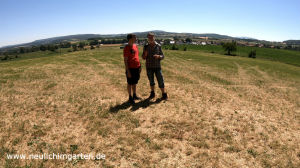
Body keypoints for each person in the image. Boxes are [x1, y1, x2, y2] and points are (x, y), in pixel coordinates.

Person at [142, 32, 168, 100]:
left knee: (160, 80)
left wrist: (159, 56)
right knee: (151, 81)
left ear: (154, 37)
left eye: (152, 37)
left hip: (157, 67)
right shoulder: (145, 46)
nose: (150, 38)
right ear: (148, 38)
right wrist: (145, 54)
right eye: (149, 37)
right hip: (149, 67)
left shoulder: (158, 46)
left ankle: (164, 94)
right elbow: (143, 58)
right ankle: (152, 93)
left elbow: (163, 56)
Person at [123, 34, 141, 104]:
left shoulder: (135, 46)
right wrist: (128, 71)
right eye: (135, 37)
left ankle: (134, 95)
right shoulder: (126, 48)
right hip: (130, 68)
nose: (136, 38)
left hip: (137, 67)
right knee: (129, 83)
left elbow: (136, 57)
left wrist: (140, 66)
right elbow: (125, 60)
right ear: (130, 39)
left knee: (134, 82)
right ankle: (130, 97)